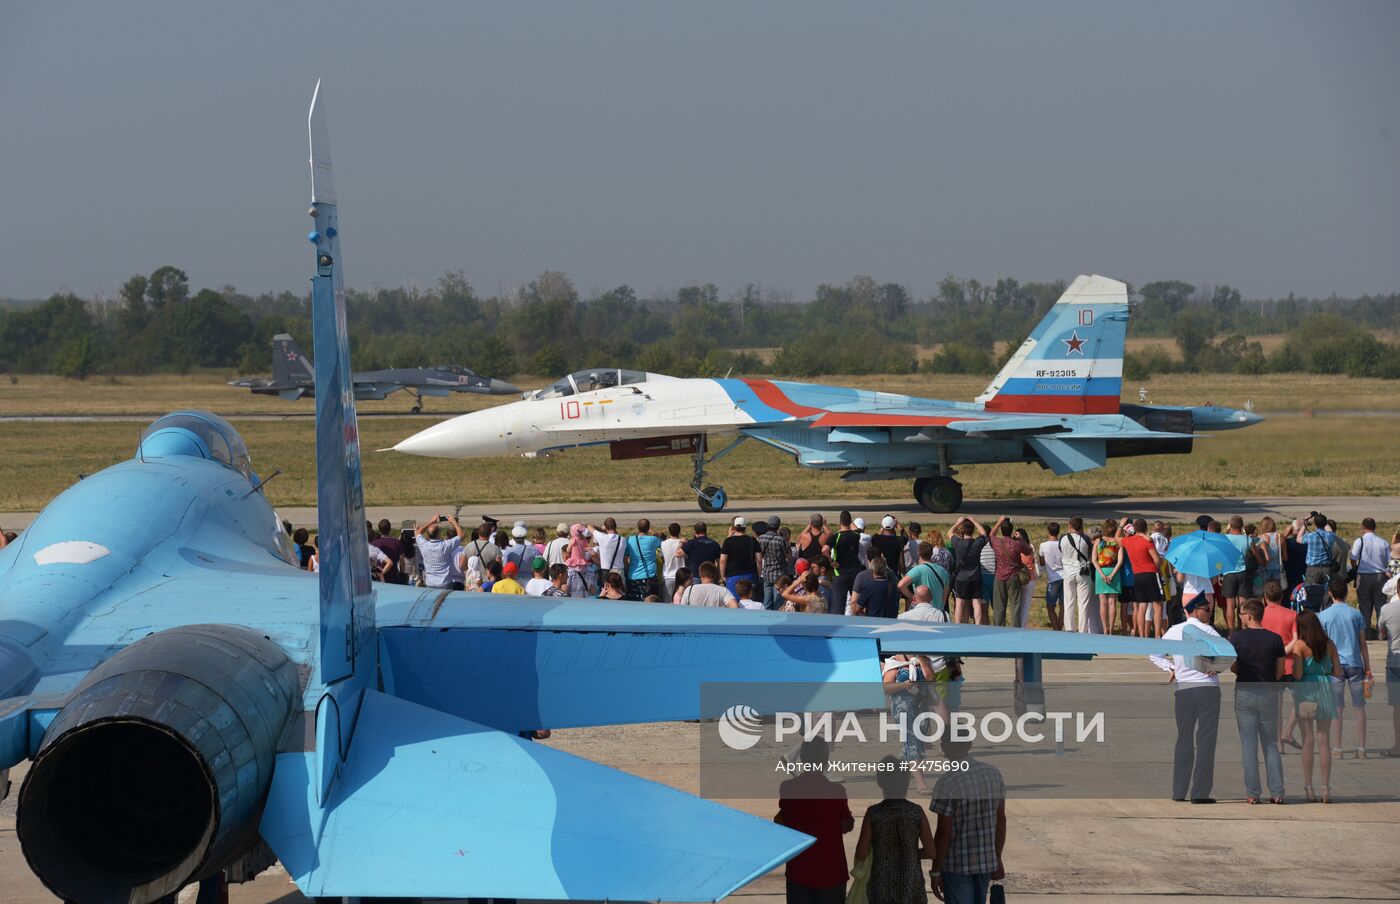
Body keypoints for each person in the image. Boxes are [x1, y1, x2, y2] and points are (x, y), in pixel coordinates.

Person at [1149, 594, 1222, 803]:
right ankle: (1200, 792)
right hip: (1207, 689)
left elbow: (1154, 654)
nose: (1210, 613)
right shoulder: (1209, 631)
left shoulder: (1174, 631)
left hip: (1184, 689)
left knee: (1184, 739)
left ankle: (1179, 791)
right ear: (1195, 611)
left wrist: (1171, 667)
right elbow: (1228, 655)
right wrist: (1217, 667)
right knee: (1206, 741)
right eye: (1207, 610)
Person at [775, 737, 853, 904]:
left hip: (799, 870)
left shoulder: (788, 788)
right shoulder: (837, 791)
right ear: (825, 762)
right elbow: (847, 824)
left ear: (802, 760)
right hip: (831, 871)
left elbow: (782, 820)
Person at [928, 736, 1006, 904]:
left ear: (944, 747)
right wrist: (997, 857)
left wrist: (936, 870)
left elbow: (943, 833)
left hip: (957, 865)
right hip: (985, 862)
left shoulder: (947, 782)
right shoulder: (993, 774)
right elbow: (1001, 820)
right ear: (969, 744)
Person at [854, 755, 935, 904]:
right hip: (911, 886)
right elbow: (930, 851)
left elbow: (861, 853)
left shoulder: (874, 814)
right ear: (907, 781)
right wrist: (911, 853)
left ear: (880, 782)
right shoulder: (916, 812)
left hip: (881, 886)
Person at [1230, 598, 1288, 804]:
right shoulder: (1275, 639)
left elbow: (1233, 666)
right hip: (1268, 692)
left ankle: (1253, 792)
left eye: (1241, 614)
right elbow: (1280, 670)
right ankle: (1277, 791)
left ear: (1249, 615)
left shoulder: (1237, 638)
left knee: (1249, 745)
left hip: (1245, 691)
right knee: (1271, 743)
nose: (1240, 618)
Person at [1289, 610, 1342, 802]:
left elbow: (1297, 674)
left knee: (1308, 741)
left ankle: (1309, 787)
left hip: (1306, 690)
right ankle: (1326, 788)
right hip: (1325, 689)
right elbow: (1338, 671)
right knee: (1324, 741)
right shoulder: (1329, 644)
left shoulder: (1300, 645)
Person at [1317, 578, 1372, 759]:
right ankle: (1362, 748)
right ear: (1347, 593)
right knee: (1359, 706)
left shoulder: (1323, 615)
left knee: (1337, 707)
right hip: (1355, 663)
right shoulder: (1356, 614)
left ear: (1330, 593)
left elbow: (1323, 645)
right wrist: (1368, 667)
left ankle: (1338, 748)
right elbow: (1363, 644)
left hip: (1335, 665)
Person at [1120, 518, 1163, 639]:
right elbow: (1157, 561)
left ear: (1134, 528)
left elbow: (1117, 538)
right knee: (1157, 604)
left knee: (1141, 605)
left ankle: (1142, 634)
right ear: (1146, 529)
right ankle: (1157, 634)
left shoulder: (1128, 541)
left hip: (1137, 575)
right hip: (1151, 573)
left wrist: (1121, 526)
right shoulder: (1147, 541)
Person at [1351, 517, 1390, 640]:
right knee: (1380, 606)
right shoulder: (1383, 542)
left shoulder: (1359, 541)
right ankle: (1381, 633)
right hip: (1380, 576)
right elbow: (1388, 561)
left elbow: (1353, 557)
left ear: (1363, 527)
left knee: (1364, 606)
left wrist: (1355, 568)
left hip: (1363, 575)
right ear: (1375, 527)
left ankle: (1366, 633)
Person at [949, 516, 989, 625]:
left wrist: (958, 522)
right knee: (976, 602)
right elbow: (984, 533)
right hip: (975, 577)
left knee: (959, 603)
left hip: (961, 578)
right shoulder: (977, 543)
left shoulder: (958, 543)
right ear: (973, 530)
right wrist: (974, 521)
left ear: (962, 529)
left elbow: (950, 533)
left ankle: (958, 623)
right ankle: (978, 624)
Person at [1377, 579, 1400, 757]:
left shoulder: (1387, 609)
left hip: (1394, 659)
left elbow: (1382, 631)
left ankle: (1398, 745)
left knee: (1397, 706)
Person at [1059, 517, 1094, 634]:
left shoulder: (1063, 538)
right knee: (1083, 603)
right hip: (1082, 572)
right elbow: (1089, 551)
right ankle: (1083, 630)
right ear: (1081, 527)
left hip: (1068, 572)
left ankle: (1069, 629)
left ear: (1070, 526)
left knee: (1069, 602)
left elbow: (1061, 550)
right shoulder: (1085, 539)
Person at [827, 511, 865, 618]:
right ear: (850, 521)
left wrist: (831, 561)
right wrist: (850, 521)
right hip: (855, 573)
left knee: (838, 607)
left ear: (840, 522)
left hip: (840, 573)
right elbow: (856, 528)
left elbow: (824, 550)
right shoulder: (856, 535)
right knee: (856, 604)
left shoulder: (836, 537)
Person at [1218, 515, 1251, 633]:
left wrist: (1220, 573)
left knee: (1230, 604)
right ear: (1242, 526)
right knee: (1243, 603)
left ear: (1230, 526)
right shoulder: (1247, 539)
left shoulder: (1224, 539)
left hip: (1228, 573)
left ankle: (1231, 632)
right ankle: (1243, 629)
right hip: (1243, 572)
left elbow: (1220, 558)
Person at [417, 514, 465, 591]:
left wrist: (431, 521)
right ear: (439, 534)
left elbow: (418, 532)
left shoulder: (424, 545)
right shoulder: (445, 545)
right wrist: (454, 522)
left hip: (430, 583)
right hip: (444, 583)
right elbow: (461, 535)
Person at [898, 542, 951, 612]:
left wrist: (913, 597)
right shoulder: (942, 570)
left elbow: (900, 585)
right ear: (932, 553)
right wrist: (941, 606)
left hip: (921, 610)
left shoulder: (917, 570)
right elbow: (946, 591)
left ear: (918, 553)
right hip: (937, 611)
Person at [719, 516, 762, 598]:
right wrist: (759, 575)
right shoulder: (752, 540)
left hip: (732, 575)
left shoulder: (728, 541)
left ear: (734, 527)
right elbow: (759, 560)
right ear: (745, 527)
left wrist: (723, 575)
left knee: (733, 600)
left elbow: (722, 561)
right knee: (749, 600)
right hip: (749, 574)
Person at [1093, 521, 1123, 635]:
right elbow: (1120, 561)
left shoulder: (1098, 541)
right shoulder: (1118, 542)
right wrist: (1112, 575)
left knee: (1103, 603)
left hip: (1101, 571)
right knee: (1112, 603)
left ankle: (1104, 628)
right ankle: (1111, 629)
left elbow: (1094, 560)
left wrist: (1102, 574)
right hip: (1114, 571)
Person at [622, 518, 662, 601]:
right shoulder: (653, 540)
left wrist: (627, 570)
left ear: (638, 527)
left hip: (633, 575)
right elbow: (663, 543)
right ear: (648, 528)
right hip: (649, 575)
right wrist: (653, 533)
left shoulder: (629, 540)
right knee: (651, 601)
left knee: (634, 601)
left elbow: (625, 559)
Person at [851, 554, 900, 618]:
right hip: (891, 620)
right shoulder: (894, 585)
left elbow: (856, 609)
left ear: (873, 570)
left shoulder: (869, 587)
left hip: (874, 620)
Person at [759, 515, 792, 610]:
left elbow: (759, 556)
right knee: (778, 601)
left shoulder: (761, 538)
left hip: (767, 573)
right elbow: (789, 557)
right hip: (779, 574)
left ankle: (766, 616)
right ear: (778, 526)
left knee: (767, 601)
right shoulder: (781, 540)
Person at [1298, 513, 1338, 586]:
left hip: (1312, 569)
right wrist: (1321, 517)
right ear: (1325, 523)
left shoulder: (1310, 536)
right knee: (1326, 590)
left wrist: (1305, 524)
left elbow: (1298, 539)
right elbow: (1330, 530)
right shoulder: (1330, 536)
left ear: (1315, 523)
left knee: (1310, 590)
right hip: (1326, 569)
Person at [1039, 523, 1064, 631]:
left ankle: (1057, 629)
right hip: (1064, 577)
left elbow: (1042, 562)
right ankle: (1060, 627)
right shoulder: (1062, 544)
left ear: (1048, 532)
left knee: (1050, 606)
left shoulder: (1043, 545)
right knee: (1063, 606)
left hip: (1053, 578)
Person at [1014, 527, 1038, 629]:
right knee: (1025, 607)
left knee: (1016, 605)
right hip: (1030, 578)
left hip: (1018, 578)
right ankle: (1022, 626)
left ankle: (1016, 626)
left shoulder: (1015, 547)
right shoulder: (1030, 547)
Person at [565, 523, 597, 598]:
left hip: (575, 561)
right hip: (582, 561)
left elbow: (568, 550)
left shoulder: (574, 540)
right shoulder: (583, 539)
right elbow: (586, 547)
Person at [591, 517, 625, 584]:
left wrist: (601, 529)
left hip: (606, 571)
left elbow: (589, 526)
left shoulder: (602, 538)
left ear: (606, 527)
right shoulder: (622, 540)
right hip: (619, 571)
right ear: (615, 526)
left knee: (606, 589)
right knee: (620, 589)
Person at [660, 522, 686, 600]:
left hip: (668, 575)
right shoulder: (683, 543)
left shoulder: (663, 543)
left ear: (669, 531)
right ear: (679, 531)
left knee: (667, 601)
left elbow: (662, 559)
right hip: (681, 575)